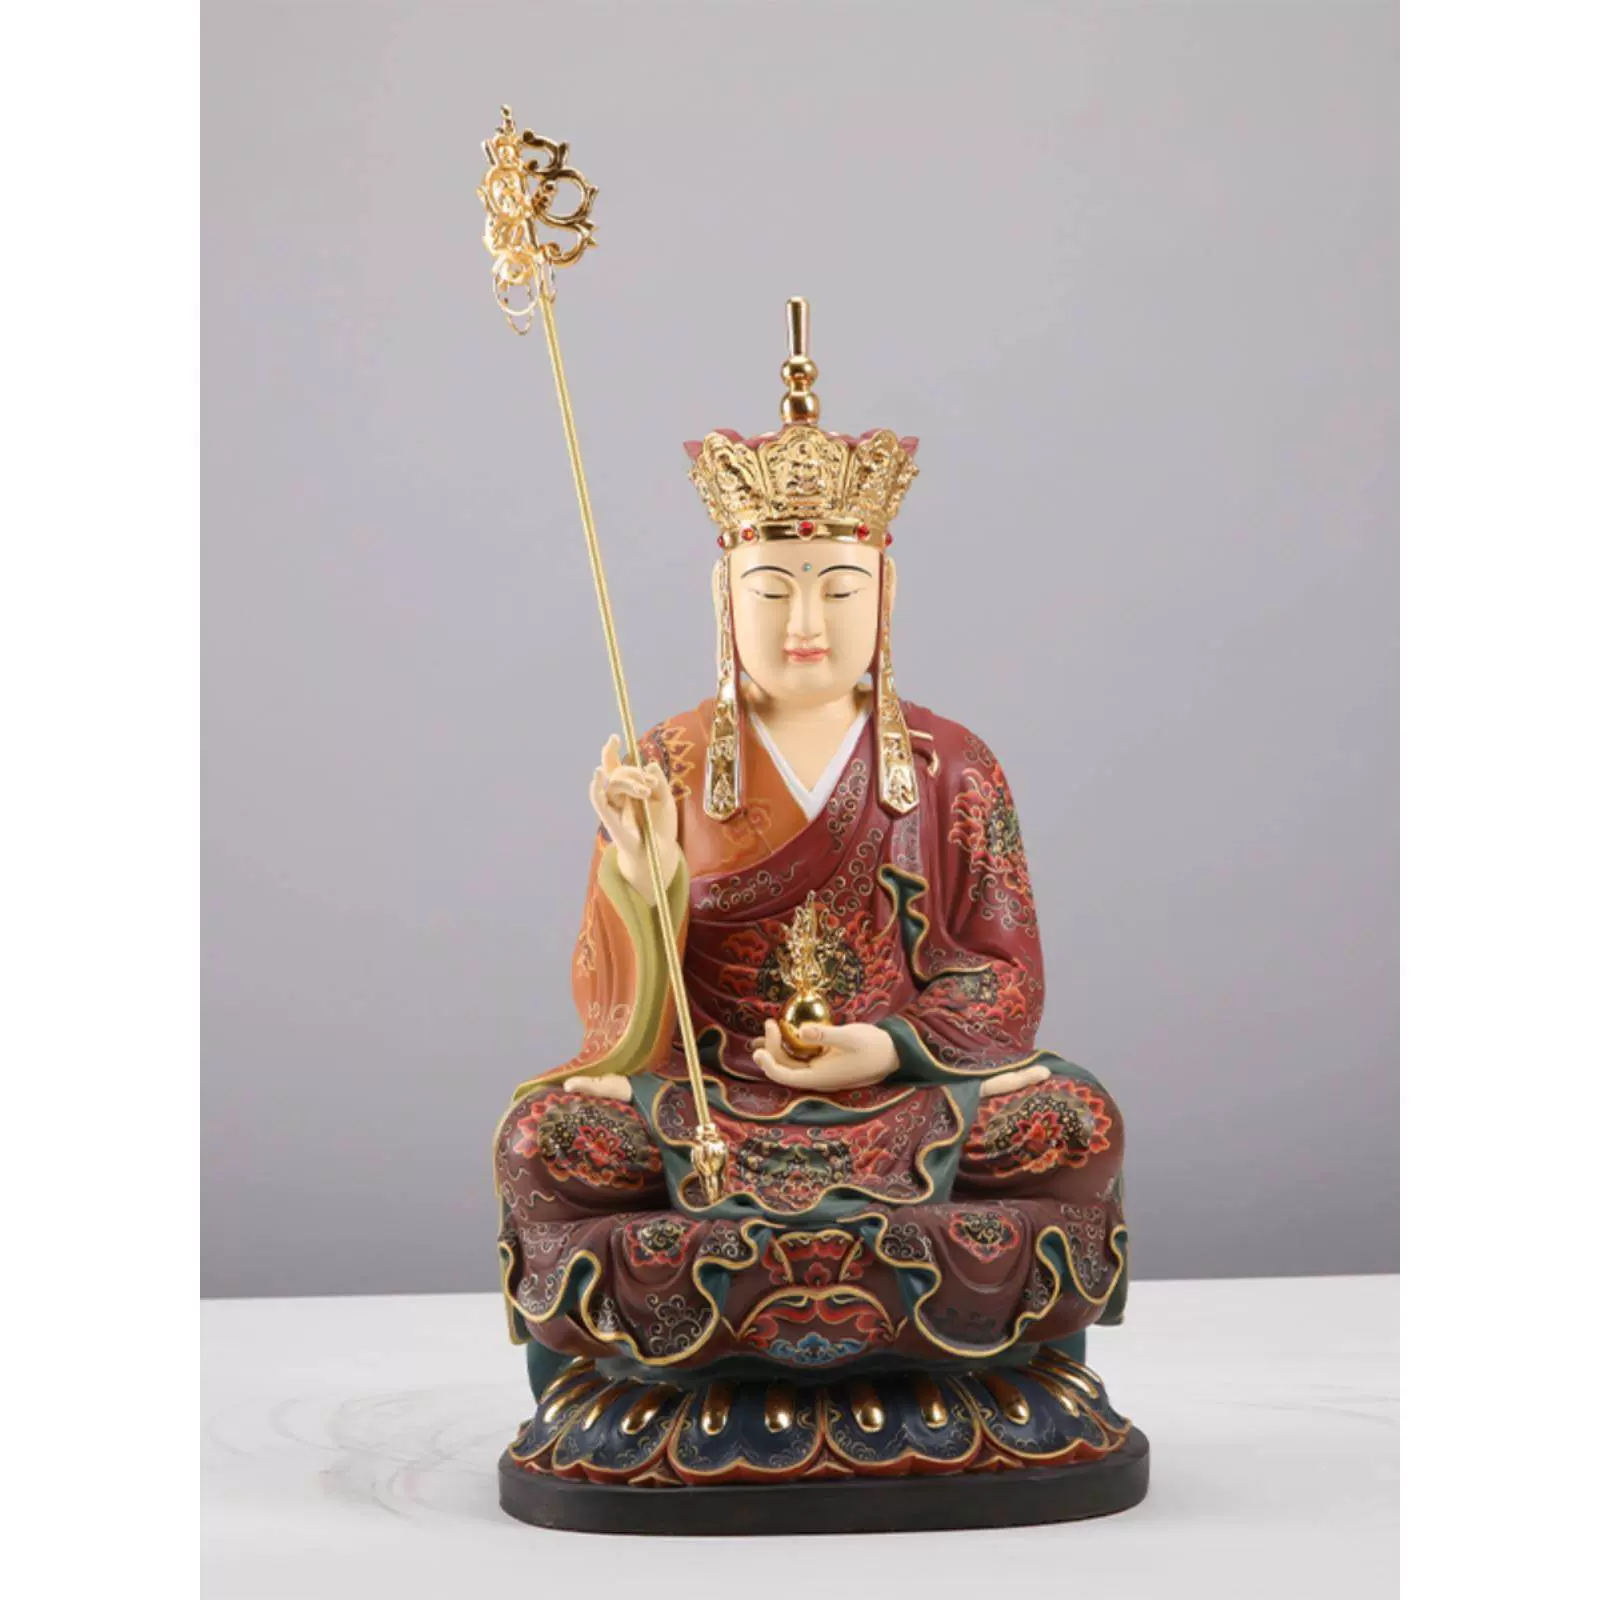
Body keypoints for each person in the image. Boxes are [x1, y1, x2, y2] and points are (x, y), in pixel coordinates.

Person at [493, 306, 1135, 1489]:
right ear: (722, 595)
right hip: (710, 1105)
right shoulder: (666, 760)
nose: (803, 625)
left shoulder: (951, 766)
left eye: (838, 590)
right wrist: (642, 878)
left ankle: (1009, 1365)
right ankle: (633, 1380)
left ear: (885, 594)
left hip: (903, 1101)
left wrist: (884, 1046)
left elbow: (1004, 979)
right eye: (771, 590)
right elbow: (619, 1007)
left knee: (1072, 1121)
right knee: (550, 1141)